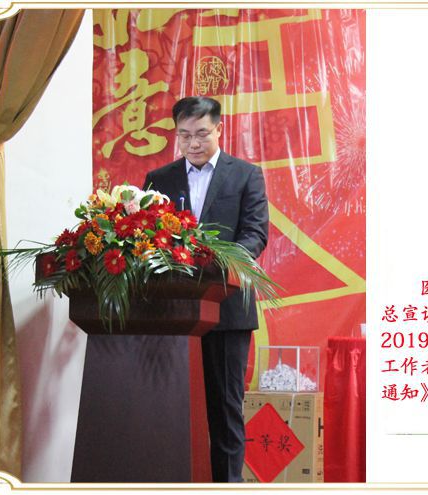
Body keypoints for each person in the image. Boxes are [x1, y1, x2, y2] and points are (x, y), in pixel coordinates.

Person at [143, 96, 269, 482]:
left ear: (219, 129)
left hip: (226, 309)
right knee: (171, 407)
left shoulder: (245, 175)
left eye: (201, 134)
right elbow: (146, 234)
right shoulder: (158, 180)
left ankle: (227, 486)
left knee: (225, 409)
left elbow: (255, 234)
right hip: (172, 311)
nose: (193, 143)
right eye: (184, 135)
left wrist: (218, 261)